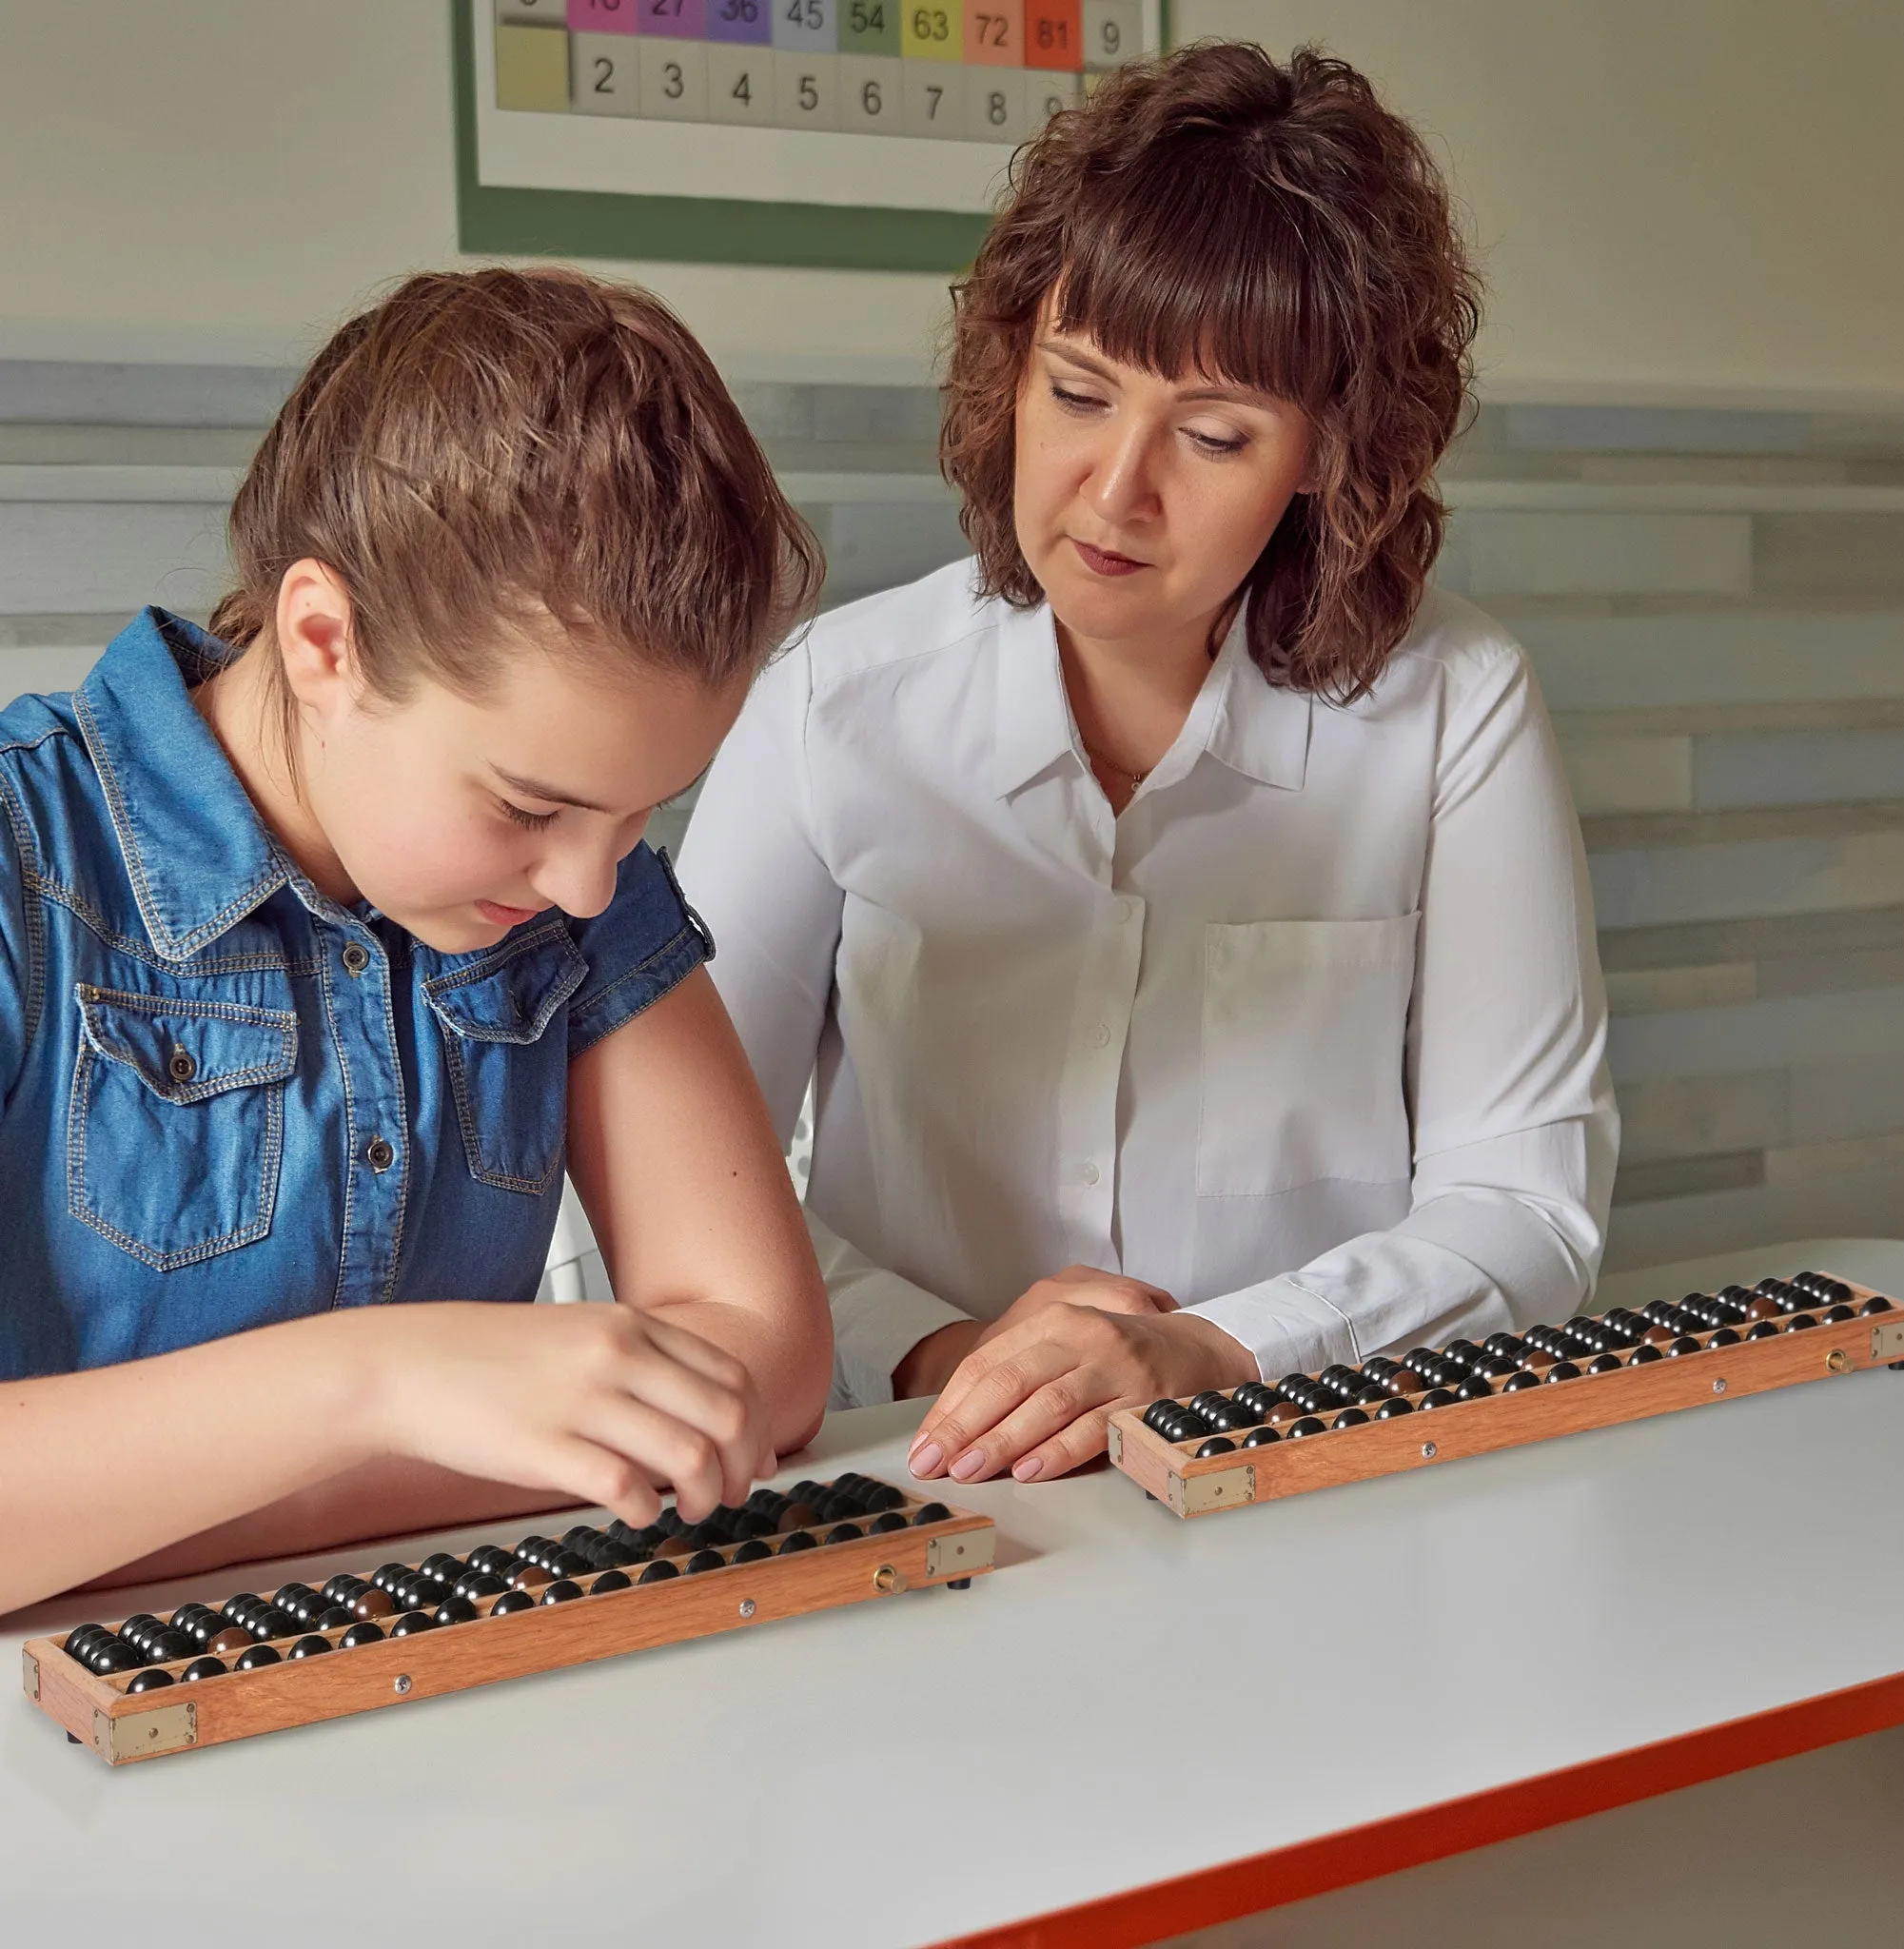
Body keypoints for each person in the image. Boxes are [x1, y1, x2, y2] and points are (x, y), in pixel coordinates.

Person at [678, 43, 1619, 1489]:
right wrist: (952, 1359)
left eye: (1216, 434)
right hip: (919, 1479)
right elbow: (673, 1193)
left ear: (1324, 454)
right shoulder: (831, 708)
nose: (1115, 491)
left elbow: (1527, 1206)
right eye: (1076, 394)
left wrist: (1219, 1353)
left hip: (1309, 1484)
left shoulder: (1453, 708)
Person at [0, 268, 833, 1615]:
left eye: (639, 814)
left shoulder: (576, 874)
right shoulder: (18, 859)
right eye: (528, 805)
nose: (583, 886)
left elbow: (766, 1360)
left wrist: (120, 1512)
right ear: (325, 643)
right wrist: (387, 1383)